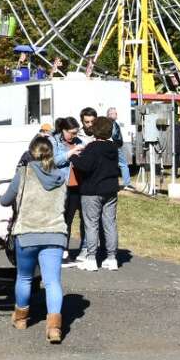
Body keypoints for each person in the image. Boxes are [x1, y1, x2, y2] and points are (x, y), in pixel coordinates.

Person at [0, 134, 69, 343]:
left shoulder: (24, 172)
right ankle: (54, 327)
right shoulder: (60, 176)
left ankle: (21, 318)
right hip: (55, 233)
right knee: (53, 281)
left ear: (31, 153)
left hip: (28, 233)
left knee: (25, 277)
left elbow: (5, 200)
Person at [73, 115, 121, 271]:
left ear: (95, 130)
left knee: (91, 224)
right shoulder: (113, 147)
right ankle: (112, 257)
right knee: (110, 223)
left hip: (92, 190)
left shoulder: (92, 147)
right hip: (111, 189)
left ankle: (91, 258)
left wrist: (74, 156)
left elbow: (84, 166)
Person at [51, 117, 85, 262]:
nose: (74, 136)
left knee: (68, 221)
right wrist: (71, 153)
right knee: (58, 220)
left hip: (76, 186)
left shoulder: (78, 142)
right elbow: (54, 161)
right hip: (60, 186)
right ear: (63, 130)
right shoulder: (54, 141)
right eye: (71, 133)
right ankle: (55, 251)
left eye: (76, 133)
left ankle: (65, 250)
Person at [106, 107, 131, 189]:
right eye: (114, 113)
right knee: (123, 164)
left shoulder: (113, 123)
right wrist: (116, 143)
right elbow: (113, 135)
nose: (116, 115)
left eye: (116, 113)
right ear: (109, 115)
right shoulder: (111, 123)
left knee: (112, 165)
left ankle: (113, 184)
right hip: (115, 146)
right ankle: (127, 184)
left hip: (114, 146)